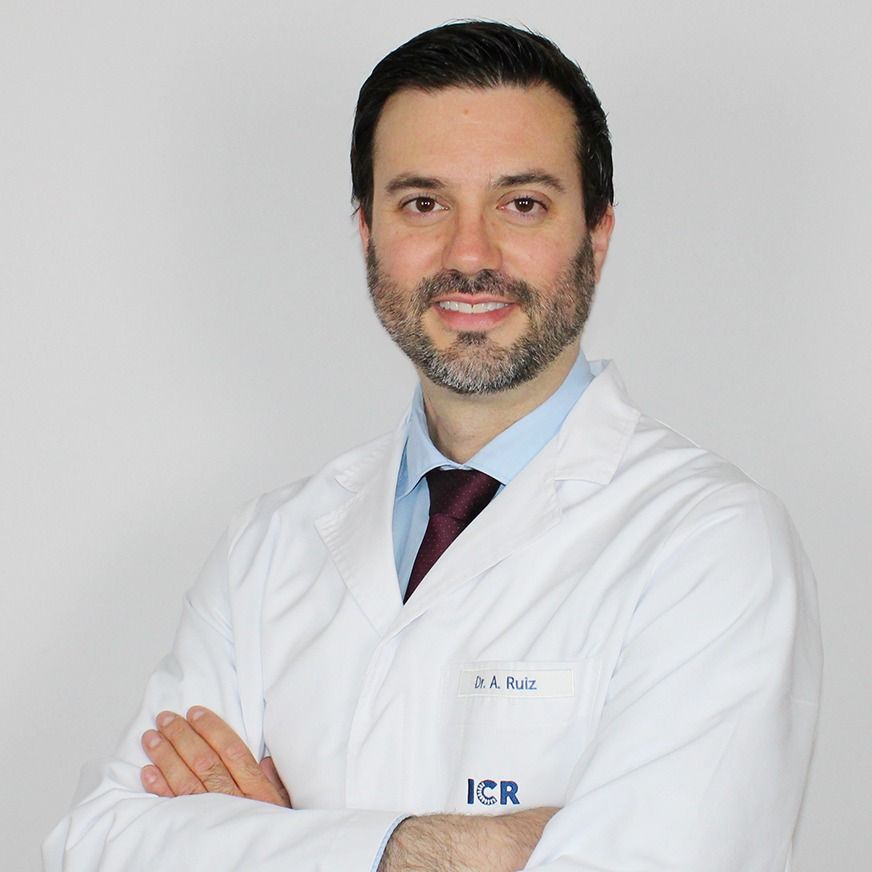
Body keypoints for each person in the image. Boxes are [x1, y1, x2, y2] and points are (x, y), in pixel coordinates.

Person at [44, 21, 822, 872]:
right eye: (423, 203)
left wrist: (264, 843)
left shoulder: (712, 544)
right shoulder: (268, 547)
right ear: (367, 232)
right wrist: (460, 848)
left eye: (522, 203)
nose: (469, 254)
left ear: (596, 237)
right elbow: (97, 844)